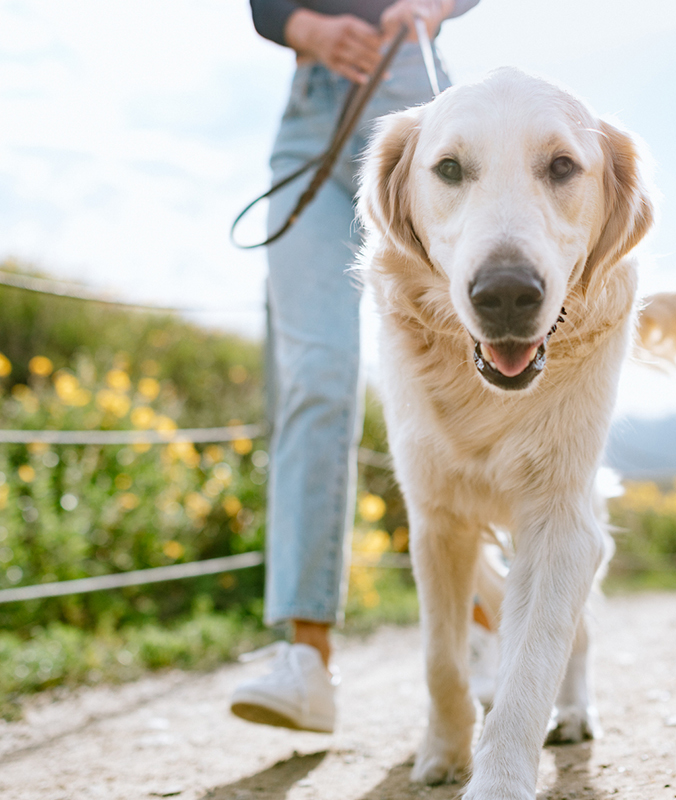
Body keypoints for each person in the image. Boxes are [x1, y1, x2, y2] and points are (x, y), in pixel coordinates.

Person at [230, 0, 480, 734]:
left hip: (411, 90)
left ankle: (491, 623)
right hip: (310, 113)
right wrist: (308, 30)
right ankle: (307, 660)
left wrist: (429, 8)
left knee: (457, 364)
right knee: (316, 373)